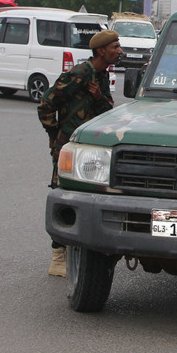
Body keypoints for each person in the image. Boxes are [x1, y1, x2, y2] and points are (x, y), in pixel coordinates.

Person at [37, 29, 123, 277]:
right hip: (69, 148)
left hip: (90, 150)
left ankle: (78, 252)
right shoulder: (80, 73)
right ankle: (57, 257)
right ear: (101, 51)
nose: (119, 51)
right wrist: (55, 134)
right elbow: (46, 103)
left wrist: (98, 97)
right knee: (64, 197)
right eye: (115, 47)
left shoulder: (101, 75)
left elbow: (107, 111)